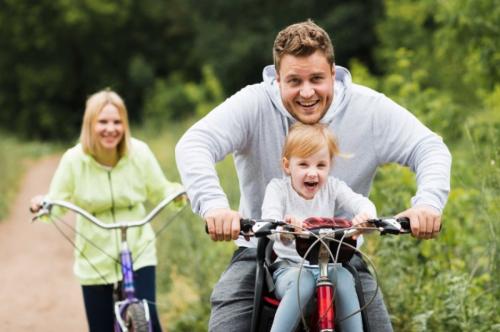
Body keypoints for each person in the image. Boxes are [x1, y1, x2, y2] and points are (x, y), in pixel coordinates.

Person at [175, 19, 451, 332]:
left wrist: (428, 204)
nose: (307, 92)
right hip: (263, 250)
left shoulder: (369, 110)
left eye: (317, 79)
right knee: (228, 318)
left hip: (341, 255)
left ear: (333, 74)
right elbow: (194, 143)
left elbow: (429, 147)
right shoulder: (253, 104)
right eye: (294, 81)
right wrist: (214, 206)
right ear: (278, 79)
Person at [30, 88, 184, 332]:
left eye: (117, 121)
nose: (110, 128)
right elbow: (55, 202)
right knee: (100, 327)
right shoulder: (73, 160)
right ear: (90, 124)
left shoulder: (139, 153)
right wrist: (43, 204)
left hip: (138, 248)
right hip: (94, 254)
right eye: (102, 121)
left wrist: (180, 193)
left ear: (125, 125)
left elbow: (160, 190)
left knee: (149, 320)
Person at [262, 122, 375, 332]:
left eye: (320, 165)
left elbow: (360, 202)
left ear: (329, 165)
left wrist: (366, 217)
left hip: (330, 265)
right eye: (303, 165)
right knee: (302, 283)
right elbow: (270, 220)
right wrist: (286, 230)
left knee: (344, 280)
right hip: (289, 267)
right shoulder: (278, 189)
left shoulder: (333, 187)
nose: (312, 173)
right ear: (287, 166)